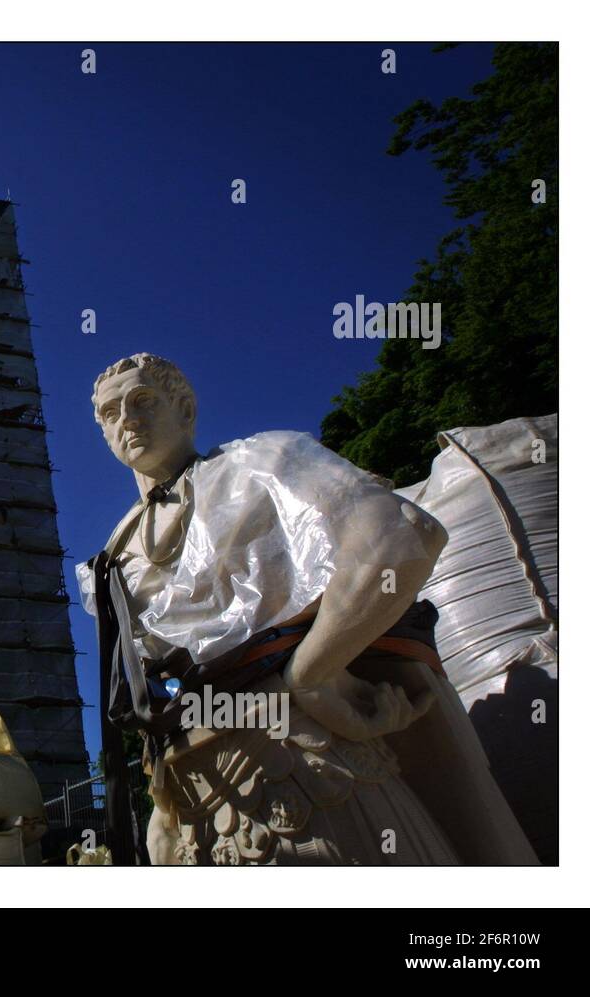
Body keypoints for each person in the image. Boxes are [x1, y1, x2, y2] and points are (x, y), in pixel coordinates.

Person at [80, 353, 536, 865]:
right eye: (110, 413)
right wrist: (163, 810)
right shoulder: (110, 561)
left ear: (185, 409)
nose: (128, 421)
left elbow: (401, 534)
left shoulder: (258, 465)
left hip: (309, 767)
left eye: (143, 401)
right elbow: (151, 701)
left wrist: (311, 674)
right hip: (194, 811)